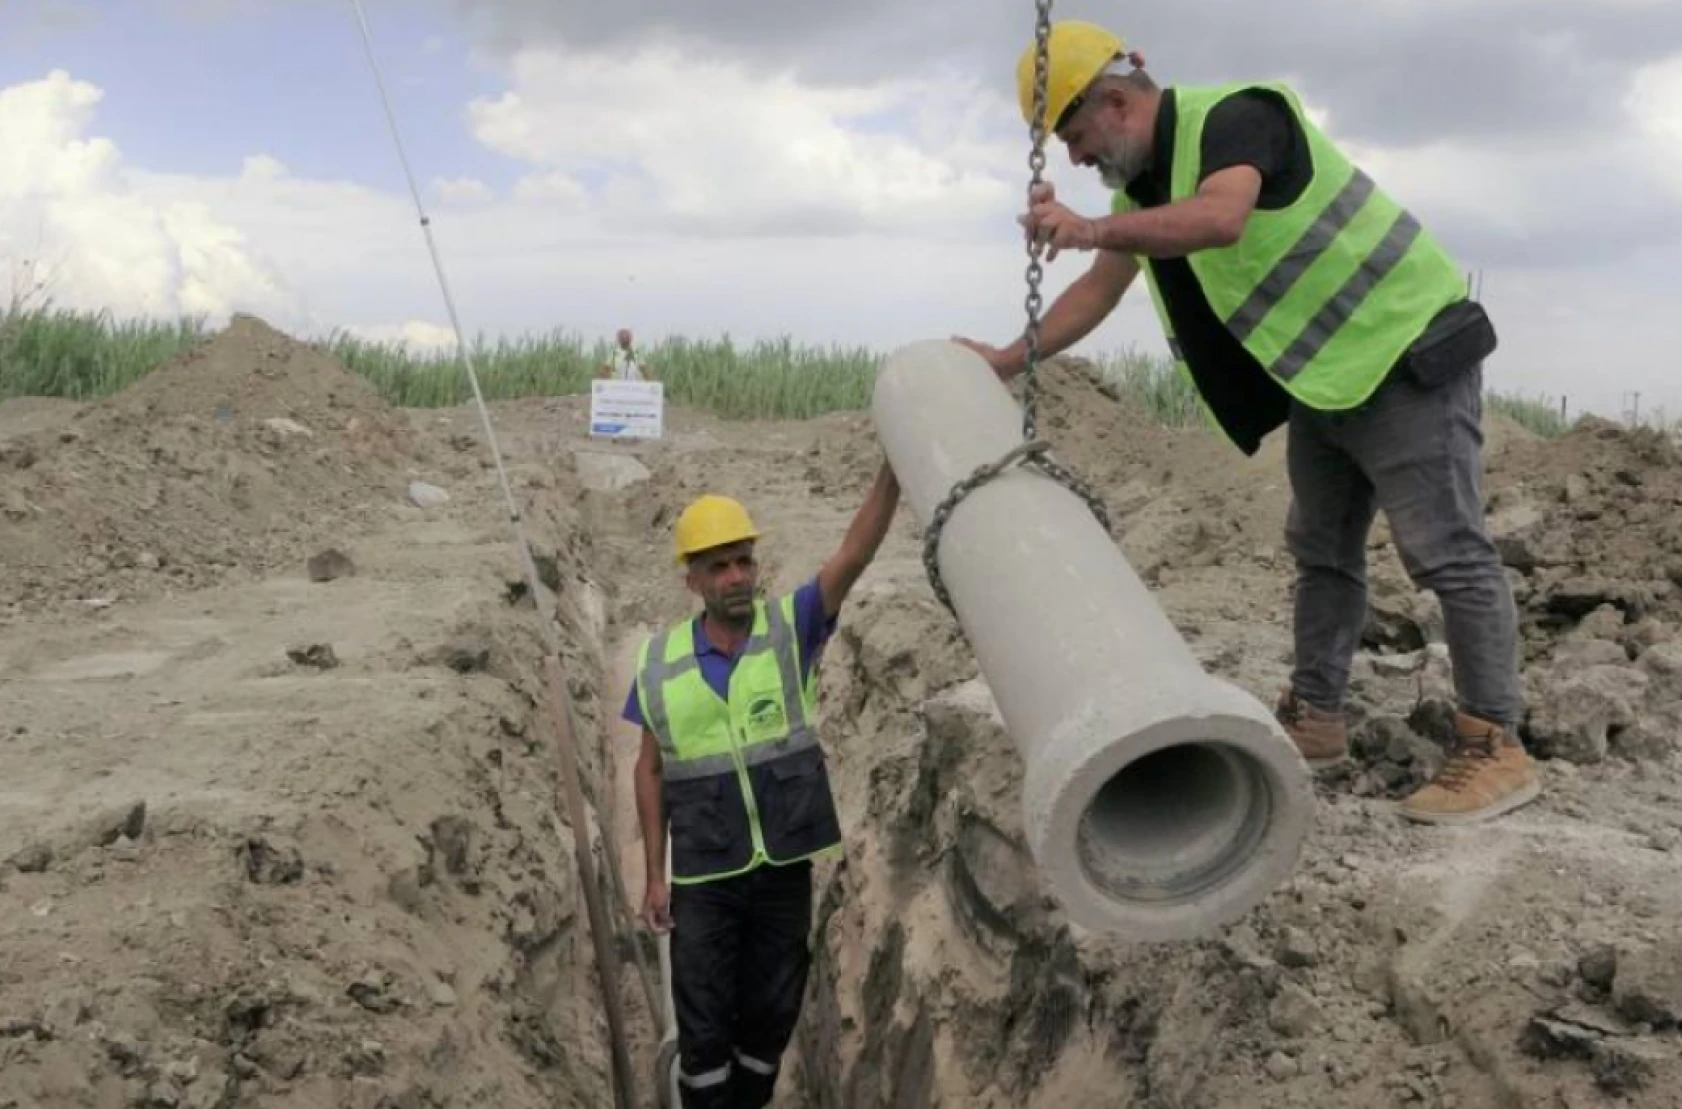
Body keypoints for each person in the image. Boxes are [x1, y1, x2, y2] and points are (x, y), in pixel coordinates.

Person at [954, 20, 1539, 826]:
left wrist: (1089, 226)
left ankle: (1493, 744)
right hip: (1326, 380)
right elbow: (1098, 289)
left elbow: (1222, 217)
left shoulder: (1237, 117)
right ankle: (1318, 717)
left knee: (1447, 551)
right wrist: (1007, 357)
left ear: (1118, 101)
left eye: (1079, 137)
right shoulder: (1143, 193)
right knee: (1323, 553)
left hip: (1404, 349)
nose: (1078, 162)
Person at [622, 465, 901, 1107]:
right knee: (704, 1025)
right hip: (704, 876)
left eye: (744, 562)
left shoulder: (789, 630)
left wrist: (889, 472)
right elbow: (650, 768)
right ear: (691, 579)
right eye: (719, 567)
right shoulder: (659, 662)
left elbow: (855, 553)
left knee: (771, 1016)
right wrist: (656, 877)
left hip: (780, 870)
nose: (737, 577)